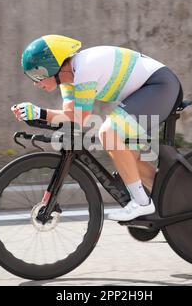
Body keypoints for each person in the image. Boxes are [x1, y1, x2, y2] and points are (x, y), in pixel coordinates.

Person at [12, 34, 182, 221]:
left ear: (53, 67)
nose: (36, 83)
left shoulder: (85, 69)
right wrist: (38, 116)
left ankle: (142, 203)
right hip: (150, 89)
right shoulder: (68, 80)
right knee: (127, 154)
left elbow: (81, 118)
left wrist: (39, 113)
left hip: (159, 86)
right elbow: (70, 117)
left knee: (108, 133)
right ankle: (169, 197)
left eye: (38, 75)